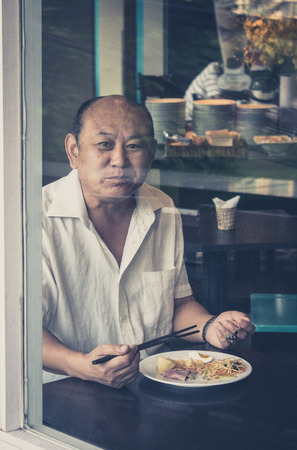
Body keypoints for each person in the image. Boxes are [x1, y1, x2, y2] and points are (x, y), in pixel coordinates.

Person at [42, 95, 255, 388]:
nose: (119, 160)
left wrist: (210, 326)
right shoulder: (32, 217)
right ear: (73, 151)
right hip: (59, 391)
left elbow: (179, 305)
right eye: (104, 144)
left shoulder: (162, 207)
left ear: (152, 152)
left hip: (153, 382)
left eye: (134, 146)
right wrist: (82, 366)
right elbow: (17, 327)